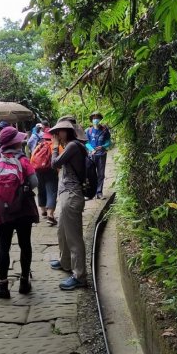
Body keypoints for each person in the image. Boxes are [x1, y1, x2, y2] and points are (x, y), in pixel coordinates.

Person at [0, 126, 39, 298]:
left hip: (2, 210)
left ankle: (2, 286)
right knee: (25, 244)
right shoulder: (23, 160)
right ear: (15, 142)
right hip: (23, 209)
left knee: (3, 246)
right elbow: (34, 182)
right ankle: (24, 282)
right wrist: (19, 191)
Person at [49, 120, 87, 291]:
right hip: (66, 195)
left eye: (58, 132)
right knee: (62, 231)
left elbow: (54, 163)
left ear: (66, 132)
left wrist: (55, 147)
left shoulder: (72, 146)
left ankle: (79, 276)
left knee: (74, 238)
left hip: (72, 196)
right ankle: (65, 263)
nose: (55, 136)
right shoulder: (71, 146)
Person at [33, 128, 59, 225]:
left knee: (41, 190)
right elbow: (59, 161)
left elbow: (32, 159)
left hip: (38, 171)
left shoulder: (40, 145)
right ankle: (50, 215)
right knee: (51, 192)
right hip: (51, 171)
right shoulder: (55, 145)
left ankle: (43, 211)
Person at [86, 111, 111, 199]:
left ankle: (99, 193)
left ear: (100, 119)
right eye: (94, 118)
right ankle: (90, 194)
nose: (95, 120)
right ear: (91, 120)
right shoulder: (88, 131)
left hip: (102, 155)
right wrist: (91, 149)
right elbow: (86, 142)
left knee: (101, 174)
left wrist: (103, 146)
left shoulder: (105, 130)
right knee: (90, 175)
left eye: (97, 118)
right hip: (91, 156)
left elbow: (109, 142)